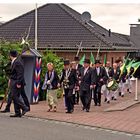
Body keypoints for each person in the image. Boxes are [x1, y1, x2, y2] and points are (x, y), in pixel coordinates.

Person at [9, 50, 29, 117]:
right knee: (15, 96)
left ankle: (24, 107)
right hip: (14, 81)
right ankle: (17, 112)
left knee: (14, 96)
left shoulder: (17, 62)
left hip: (16, 82)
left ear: (10, 55)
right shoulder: (15, 61)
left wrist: (18, 82)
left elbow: (20, 73)